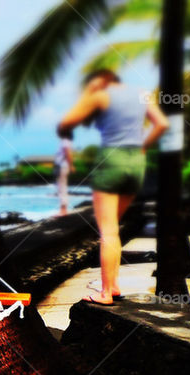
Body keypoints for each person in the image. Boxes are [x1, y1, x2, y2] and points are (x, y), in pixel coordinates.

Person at [57, 69, 169, 305]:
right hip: (136, 163)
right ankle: (114, 286)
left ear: (101, 81)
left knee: (108, 232)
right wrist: (143, 146)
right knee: (113, 229)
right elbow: (161, 124)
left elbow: (66, 122)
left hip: (111, 161)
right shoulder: (141, 94)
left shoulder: (100, 95)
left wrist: (88, 93)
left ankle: (106, 292)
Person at [54, 128, 74, 216]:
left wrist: (71, 165)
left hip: (62, 166)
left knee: (62, 187)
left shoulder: (65, 141)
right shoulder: (66, 141)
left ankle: (63, 210)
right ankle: (63, 209)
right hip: (62, 166)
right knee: (62, 187)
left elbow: (68, 153)